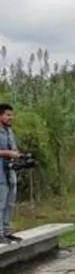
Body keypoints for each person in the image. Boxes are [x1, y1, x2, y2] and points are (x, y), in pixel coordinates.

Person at [0, 104, 20, 244]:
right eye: (7, 114)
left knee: (10, 202)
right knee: (1, 202)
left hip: (10, 171)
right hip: (0, 172)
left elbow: (13, 148)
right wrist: (7, 153)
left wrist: (18, 155)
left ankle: (7, 232)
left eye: (11, 115)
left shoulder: (9, 131)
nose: (10, 117)